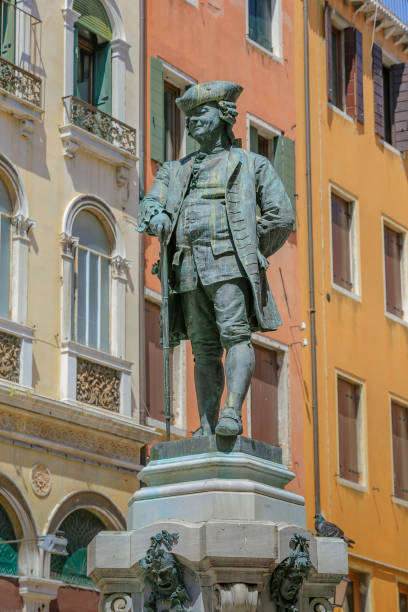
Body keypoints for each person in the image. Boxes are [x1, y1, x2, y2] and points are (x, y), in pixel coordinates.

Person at [138, 81, 294, 438]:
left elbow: (281, 216)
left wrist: (249, 251)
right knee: (203, 349)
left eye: (200, 114)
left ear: (224, 117)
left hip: (229, 263)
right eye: (188, 118)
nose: (192, 123)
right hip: (187, 267)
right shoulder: (174, 170)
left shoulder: (252, 165)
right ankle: (208, 424)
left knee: (235, 335)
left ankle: (231, 415)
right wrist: (158, 216)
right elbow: (149, 204)